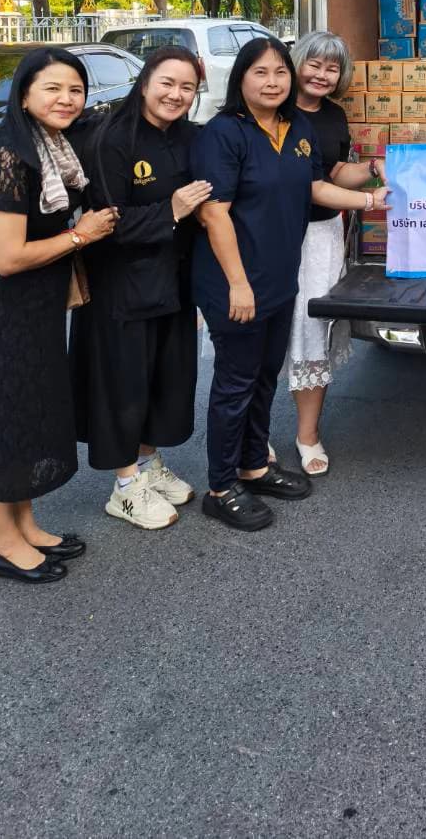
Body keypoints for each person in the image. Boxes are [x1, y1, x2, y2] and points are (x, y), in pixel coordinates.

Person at [192, 37, 389, 532]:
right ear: (241, 78)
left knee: (261, 378)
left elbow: (314, 185)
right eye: (261, 72)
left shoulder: (294, 126)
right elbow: (214, 214)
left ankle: (254, 465)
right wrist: (238, 284)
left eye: (280, 72)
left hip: (280, 278)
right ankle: (221, 486)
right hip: (238, 280)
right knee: (235, 383)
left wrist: (371, 201)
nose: (273, 81)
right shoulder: (223, 133)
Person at [0, 49, 119, 584]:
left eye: (75, 89)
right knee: (1, 422)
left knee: (28, 416)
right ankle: (3, 544)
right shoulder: (5, 155)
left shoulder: (50, 147)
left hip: (37, 310)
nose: (67, 99)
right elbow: (7, 257)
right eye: (53, 88)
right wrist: (80, 235)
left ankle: (25, 525)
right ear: (24, 93)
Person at [70, 46, 212, 530]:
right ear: (145, 80)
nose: (176, 95)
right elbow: (105, 221)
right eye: (167, 83)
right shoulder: (111, 137)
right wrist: (170, 210)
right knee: (122, 384)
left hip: (171, 281)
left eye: (187, 87)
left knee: (160, 378)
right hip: (121, 285)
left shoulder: (186, 136)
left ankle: (148, 463)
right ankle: (126, 485)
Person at [281, 30, 384, 476]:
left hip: (320, 235)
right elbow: (308, 183)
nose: (322, 74)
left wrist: (374, 169)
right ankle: (251, 437)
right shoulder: (274, 113)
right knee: (265, 336)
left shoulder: (333, 116)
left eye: (333, 67)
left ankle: (308, 435)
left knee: (312, 332)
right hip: (274, 235)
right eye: (315, 64)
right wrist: (371, 201)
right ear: (297, 63)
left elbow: (335, 172)